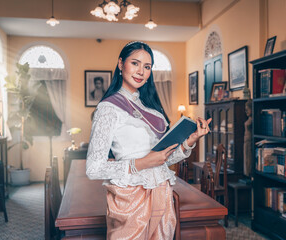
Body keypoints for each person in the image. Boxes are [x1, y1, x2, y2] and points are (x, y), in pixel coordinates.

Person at [86, 41, 211, 240]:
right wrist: (142, 163)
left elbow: (163, 159)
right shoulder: (108, 109)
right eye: (135, 63)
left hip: (162, 192)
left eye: (147, 67)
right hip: (130, 198)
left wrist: (190, 141)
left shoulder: (152, 110)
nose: (141, 72)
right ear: (121, 64)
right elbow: (93, 168)